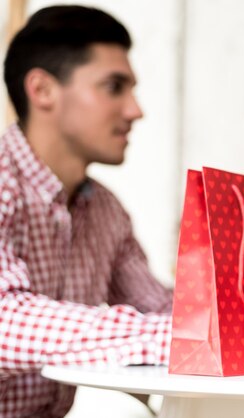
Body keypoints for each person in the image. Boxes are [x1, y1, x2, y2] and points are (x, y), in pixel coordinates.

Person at [0, 6, 172, 417]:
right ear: (42, 90)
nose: (136, 110)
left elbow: (159, 306)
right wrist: (177, 337)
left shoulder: (106, 211)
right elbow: (4, 323)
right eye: (115, 87)